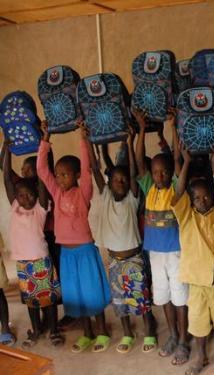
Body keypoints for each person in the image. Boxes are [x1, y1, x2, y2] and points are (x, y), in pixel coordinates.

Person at [37, 121, 111, 353]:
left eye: (65, 174)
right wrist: (45, 139)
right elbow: (42, 171)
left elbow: (88, 169)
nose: (59, 178)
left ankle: (102, 332)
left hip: (85, 251)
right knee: (77, 296)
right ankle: (87, 334)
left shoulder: (83, 192)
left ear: (76, 175)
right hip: (66, 254)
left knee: (92, 294)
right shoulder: (57, 193)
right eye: (58, 174)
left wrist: (82, 139)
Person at [88, 129, 157, 354]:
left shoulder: (132, 198)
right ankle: (127, 333)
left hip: (134, 259)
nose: (120, 182)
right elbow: (95, 169)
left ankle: (149, 332)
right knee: (120, 301)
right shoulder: (105, 194)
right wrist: (90, 141)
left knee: (141, 299)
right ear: (109, 183)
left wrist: (130, 140)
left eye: (124, 180)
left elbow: (135, 169)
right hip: (115, 261)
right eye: (116, 179)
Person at [172, 147, 214, 375]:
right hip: (198, 284)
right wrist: (186, 162)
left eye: (206, 196)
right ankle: (201, 356)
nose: (202, 200)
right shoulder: (186, 217)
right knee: (198, 325)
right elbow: (179, 192)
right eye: (197, 198)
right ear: (190, 201)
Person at [134, 109, 189, 365]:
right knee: (163, 295)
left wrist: (173, 126)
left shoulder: (176, 190)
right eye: (156, 172)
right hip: (155, 253)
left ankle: (183, 342)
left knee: (180, 296)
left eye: (164, 172)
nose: (160, 176)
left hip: (176, 252)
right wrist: (142, 130)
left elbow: (177, 158)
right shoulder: (148, 188)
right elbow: (139, 162)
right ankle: (173, 335)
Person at [3, 143, 63, 348]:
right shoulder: (15, 207)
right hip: (23, 264)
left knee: (49, 299)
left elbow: (43, 179)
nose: (25, 198)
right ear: (15, 198)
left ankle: (54, 330)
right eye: (21, 196)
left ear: (37, 195)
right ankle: (36, 329)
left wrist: (43, 148)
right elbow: (6, 179)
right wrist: (7, 148)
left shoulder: (40, 209)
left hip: (41, 261)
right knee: (30, 301)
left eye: (30, 194)